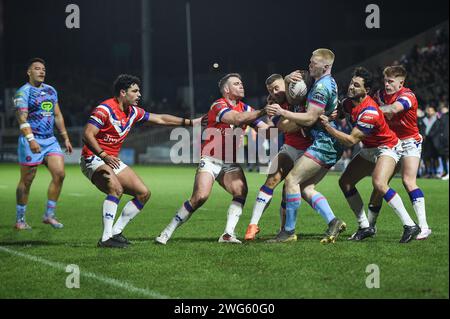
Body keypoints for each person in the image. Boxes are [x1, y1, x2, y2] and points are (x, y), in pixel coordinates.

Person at [80, 74, 201, 248]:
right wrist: (103, 155)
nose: (139, 95)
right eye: (135, 91)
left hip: (112, 160)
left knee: (143, 193)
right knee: (116, 189)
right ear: (123, 92)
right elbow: (87, 134)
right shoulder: (105, 109)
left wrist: (190, 122)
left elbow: (160, 118)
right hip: (93, 158)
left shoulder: (133, 112)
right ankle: (106, 238)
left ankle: (116, 232)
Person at [155, 73, 269, 245]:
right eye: (236, 84)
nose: (241, 86)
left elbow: (267, 130)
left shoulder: (247, 109)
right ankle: (167, 231)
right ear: (226, 89)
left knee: (241, 191)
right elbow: (235, 118)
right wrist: (263, 111)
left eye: (241, 83)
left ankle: (228, 234)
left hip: (229, 162)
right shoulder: (218, 105)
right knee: (200, 197)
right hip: (210, 158)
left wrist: (283, 117)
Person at [320, 67, 420, 243]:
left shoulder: (370, 112)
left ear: (366, 91)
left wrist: (328, 127)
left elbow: (351, 140)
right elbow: (342, 111)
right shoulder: (348, 102)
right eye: (352, 83)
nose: (351, 87)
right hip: (370, 148)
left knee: (379, 184)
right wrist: (334, 115)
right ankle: (365, 226)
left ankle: (410, 225)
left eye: (356, 85)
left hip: (387, 147)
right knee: (345, 182)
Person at [244, 73, 341, 241]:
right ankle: (253, 225)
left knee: (291, 188)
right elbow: (280, 127)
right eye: (270, 90)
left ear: (287, 85)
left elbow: (304, 119)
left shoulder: (301, 93)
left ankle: (286, 230)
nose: (274, 93)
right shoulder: (275, 104)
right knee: (272, 180)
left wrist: (304, 119)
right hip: (290, 147)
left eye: (277, 88)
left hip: (310, 149)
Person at [266, 49, 346, 243]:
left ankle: (288, 232)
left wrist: (283, 113)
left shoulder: (320, 88)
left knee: (291, 180)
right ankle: (334, 221)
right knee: (305, 188)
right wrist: (287, 80)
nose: (310, 65)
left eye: (314, 63)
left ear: (326, 67)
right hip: (329, 142)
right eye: (310, 61)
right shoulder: (327, 81)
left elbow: (310, 118)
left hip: (324, 142)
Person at [372, 65, 431, 239]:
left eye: (390, 81)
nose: (387, 84)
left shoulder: (408, 95)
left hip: (410, 142)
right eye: (385, 81)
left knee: (408, 181)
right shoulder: (379, 95)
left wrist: (369, 111)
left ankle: (424, 226)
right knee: (379, 185)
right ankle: (369, 227)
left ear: (401, 83)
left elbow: (393, 109)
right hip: (391, 142)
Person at [13, 57, 73, 230]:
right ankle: (20, 219)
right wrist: (31, 139)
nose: (41, 71)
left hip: (50, 140)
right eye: (37, 68)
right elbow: (21, 118)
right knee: (27, 179)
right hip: (31, 139)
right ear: (29, 72)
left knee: (60, 174)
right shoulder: (23, 93)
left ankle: (49, 214)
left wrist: (65, 137)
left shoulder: (50, 90)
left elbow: (57, 115)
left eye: (43, 69)